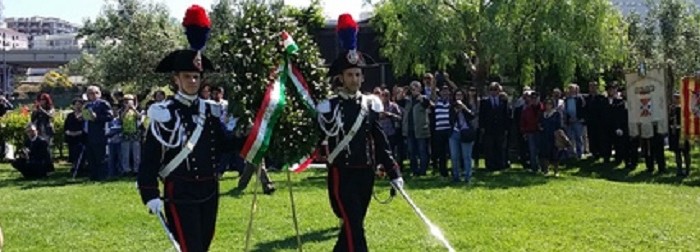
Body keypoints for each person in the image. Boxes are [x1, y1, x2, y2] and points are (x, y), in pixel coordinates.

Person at [137, 5, 226, 252]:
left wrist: (257, 134)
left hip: (209, 189)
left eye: (197, 77)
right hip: (180, 191)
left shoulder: (210, 110)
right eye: (187, 76)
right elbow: (150, 158)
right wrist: (149, 192)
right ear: (175, 79)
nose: (193, 81)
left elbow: (224, 143)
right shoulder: (165, 113)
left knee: (203, 246)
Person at [317, 13, 403, 252]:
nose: (354, 79)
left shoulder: (371, 104)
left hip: (366, 173)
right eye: (350, 75)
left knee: (351, 228)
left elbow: (380, 140)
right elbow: (316, 138)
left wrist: (393, 170)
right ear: (341, 78)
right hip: (341, 175)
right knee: (355, 228)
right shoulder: (328, 106)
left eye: (357, 74)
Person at [84, 85, 114, 181]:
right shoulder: (87, 105)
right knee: (91, 157)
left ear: (100, 94)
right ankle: (93, 176)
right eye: (91, 93)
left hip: (99, 134)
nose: (94, 95)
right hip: (89, 134)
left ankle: (102, 176)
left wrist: (96, 117)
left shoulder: (103, 104)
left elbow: (109, 117)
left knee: (100, 156)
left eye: (96, 93)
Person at [479, 82, 510, 171]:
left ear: (499, 90)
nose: (493, 92)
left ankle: (500, 164)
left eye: (495, 89)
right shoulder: (484, 101)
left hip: (500, 128)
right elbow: (482, 115)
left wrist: (506, 128)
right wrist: (482, 127)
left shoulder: (503, 101)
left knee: (499, 147)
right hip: (488, 128)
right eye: (491, 89)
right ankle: (490, 165)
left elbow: (506, 115)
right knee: (489, 148)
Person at [449, 88, 476, 183]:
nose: (458, 97)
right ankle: (456, 176)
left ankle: (468, 177)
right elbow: (450, 120)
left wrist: (463, 107)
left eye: (460, 95)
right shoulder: (452, 107)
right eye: (457, 95)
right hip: (454, 133)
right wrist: (456, 111)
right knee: (454, 156)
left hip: (466, 133)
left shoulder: (467, 106)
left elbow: (472, 116)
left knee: (467, 156)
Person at [669, 93, 691, 177]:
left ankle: (687, 170)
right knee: (677, 152)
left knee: (685, 152)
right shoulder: (672, 109)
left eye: (676, 98)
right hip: (675, 132)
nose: (674, 100)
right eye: (674, 99)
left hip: (683, 132)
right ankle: (679, 170)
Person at [120, 95, 142, 175]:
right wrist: (126, 109)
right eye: (125, 100)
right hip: (125, 134)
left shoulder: (136, 109)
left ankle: (137, 169)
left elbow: (140, 117)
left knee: (136, 154)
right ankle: (126, 170)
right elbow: (121, 118)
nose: (127, 102)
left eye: (129, 100)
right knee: (125, 154)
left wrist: (133, 109)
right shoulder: (121, 110)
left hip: (135, 134)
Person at [64, 98, 86, 173]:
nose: (77, 106)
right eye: (76, 105)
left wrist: (79, 132)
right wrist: (68, 132)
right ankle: (74, 166)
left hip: (81, 137)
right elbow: (66, 126)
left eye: (79, 104)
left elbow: (85, 127)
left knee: (80, 153)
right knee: (72, 153)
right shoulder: (70, 115)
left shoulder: (84, 115)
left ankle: (81, 167)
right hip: (71, 138)